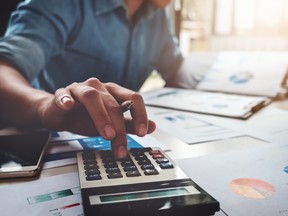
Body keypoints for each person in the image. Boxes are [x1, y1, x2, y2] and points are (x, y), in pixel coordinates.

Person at [0, 0, 201, 159]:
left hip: (115, 146)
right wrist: (43, 106)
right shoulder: (64, 4)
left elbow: (176, 70)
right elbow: (3, 68)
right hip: (44, 144)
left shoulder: (157, 15)